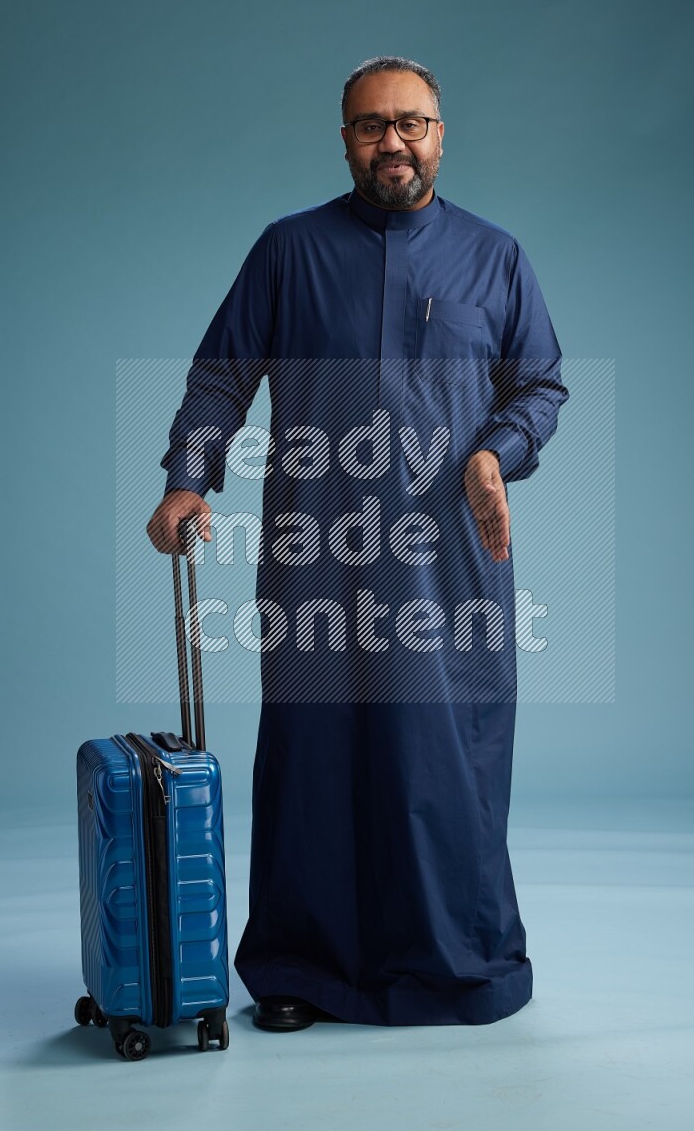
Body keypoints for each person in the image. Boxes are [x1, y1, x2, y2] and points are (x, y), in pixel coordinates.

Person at [146, 56, 568, 1032]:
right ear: (343, 138)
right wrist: (185, 479)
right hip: (317, 549)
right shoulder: (287, 253)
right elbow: (219, 376)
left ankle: (462, 963)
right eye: (371, 126)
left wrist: (494, 454)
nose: (393, 142)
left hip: (447, 560)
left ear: (440, 132)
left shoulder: (492, 257)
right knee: (316, 756)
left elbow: (537, 387)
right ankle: (303, 966)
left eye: (410, 123)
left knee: (444, 760)